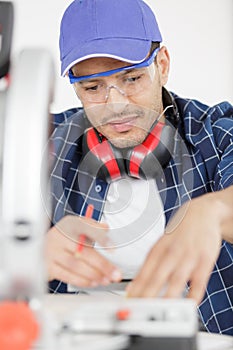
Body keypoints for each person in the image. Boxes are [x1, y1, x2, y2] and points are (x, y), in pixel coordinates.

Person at [46, 0, 233, 336]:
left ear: (162, 64)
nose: (116, 104)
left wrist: (215, 209)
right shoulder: (38, 144)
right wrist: (22, 259)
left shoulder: (216, 132)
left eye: (131, 78)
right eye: (93, 88)